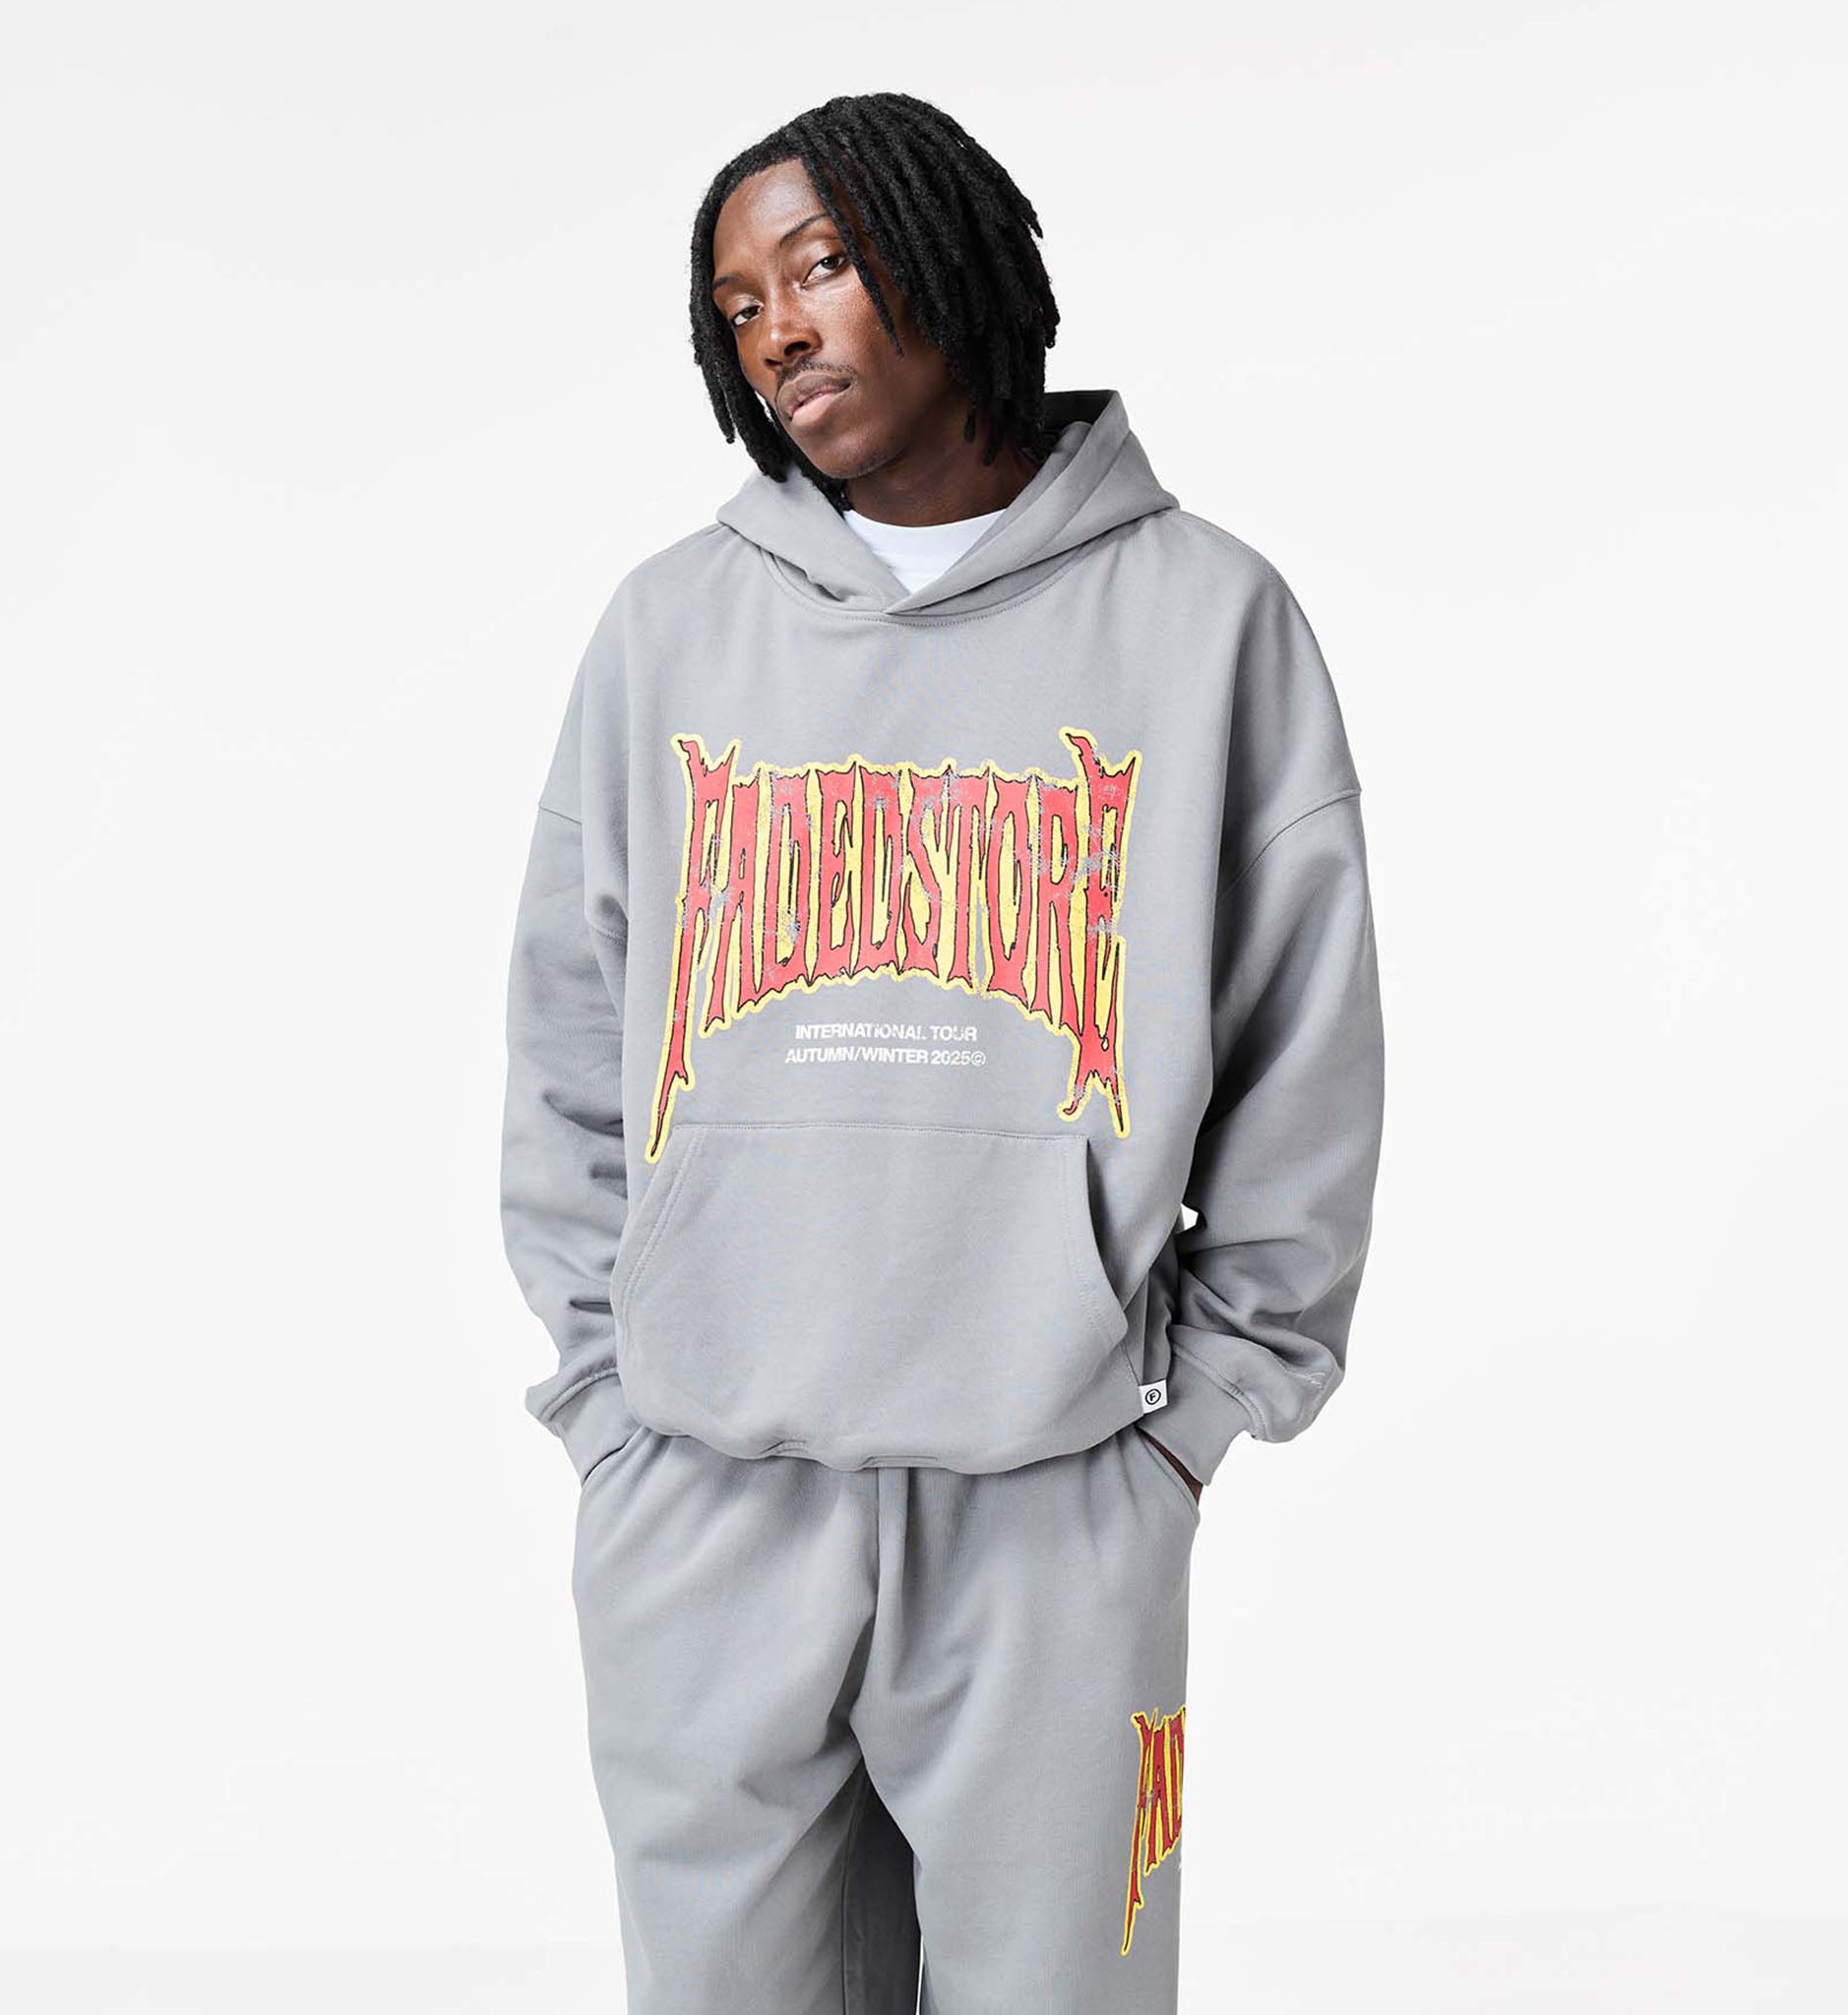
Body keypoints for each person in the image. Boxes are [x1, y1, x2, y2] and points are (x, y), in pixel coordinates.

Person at [498, 90, 1385, 2014]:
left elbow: (1305, 1054)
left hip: (1054, 1505)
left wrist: (1194, 1428)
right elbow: (567, 1049)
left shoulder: (1209, 620)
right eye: (738, 306)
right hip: (707, 1506)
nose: (780, 331)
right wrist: (608, 1411)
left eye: (819, 264)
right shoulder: (666, 633)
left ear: (950, 251)